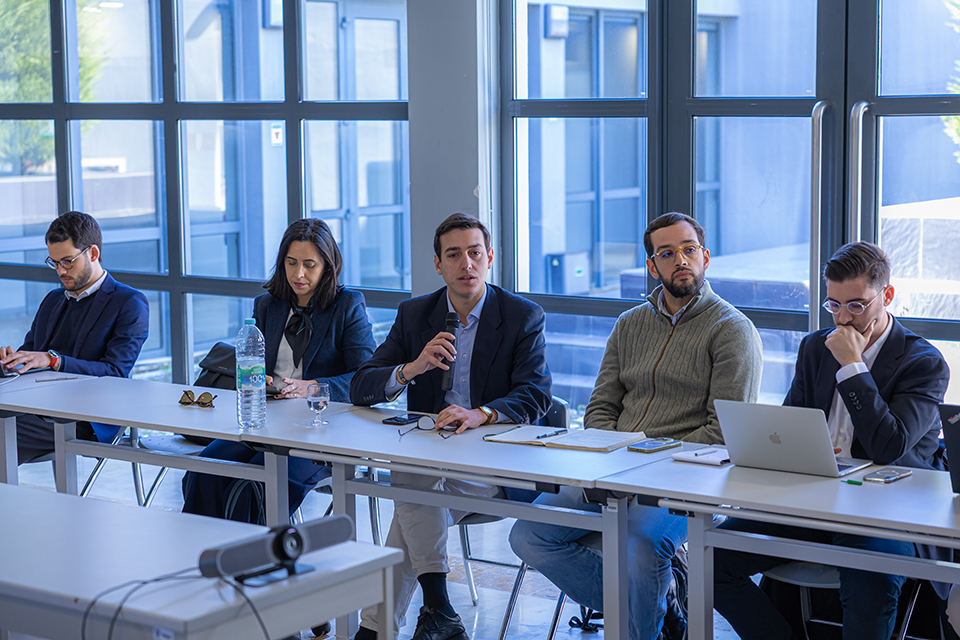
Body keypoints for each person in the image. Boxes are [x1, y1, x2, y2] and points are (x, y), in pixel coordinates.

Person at [509, 212, 763, 640]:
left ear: (705, 257)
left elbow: (723, 435)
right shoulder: (630, 324)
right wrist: (612, 462)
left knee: (640, 546)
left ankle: (648, 614)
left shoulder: (731, 330)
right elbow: (601, 407)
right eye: (666, 253)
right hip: (613, 472)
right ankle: (660, 606)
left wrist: (644, 468)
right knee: (529, 535)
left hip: (688, 483)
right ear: (652, 266)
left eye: (688, 250)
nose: (680, 259)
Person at [713, 241, 950, 640]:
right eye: (833, 305)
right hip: (815, 498)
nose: (843, 318)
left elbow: (888, 448)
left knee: (869, 585)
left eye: (856, 305)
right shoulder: (814, 348)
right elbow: (789, 427)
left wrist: (853, 367)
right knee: (712, 559)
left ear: (886, 295)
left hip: (889, 513)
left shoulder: (923, 363)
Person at [350, 213, 552, 640]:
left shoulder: (521, 316)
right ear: (438, 265)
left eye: (475, 253)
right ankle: (433, 612)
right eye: (454, 255)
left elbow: (536, 395)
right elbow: (361, 385)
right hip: (432, 458)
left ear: (490, 257)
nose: (467, 265)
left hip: (498, 463)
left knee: (409, 492)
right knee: (415, 480)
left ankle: (388, 626)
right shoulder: (414, 314)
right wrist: (411, 368)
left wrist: (481, 413)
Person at [181, 219, 376, 522]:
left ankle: (254, 562)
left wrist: (311, 386)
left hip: (324, 429)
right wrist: (262, 380)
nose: (299, 274)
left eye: (310, 265)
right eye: (291, 263)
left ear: (328, 265)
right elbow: (252, 366)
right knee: (205, 470)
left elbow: (365, 378)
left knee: (258, 481)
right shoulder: (267, 306)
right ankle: (205, 556)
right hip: (267, 422)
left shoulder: (348, 305)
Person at [0, 211, 150, 464]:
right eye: (54, 262)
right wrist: (10, 363)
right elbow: (30, 356)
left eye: (68, 261)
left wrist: (54, 360)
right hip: (36, 405)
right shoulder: (53, 300)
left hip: (85, 417)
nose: (60, 270)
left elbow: (114, 372)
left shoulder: (129, 303)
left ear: (93, 253)